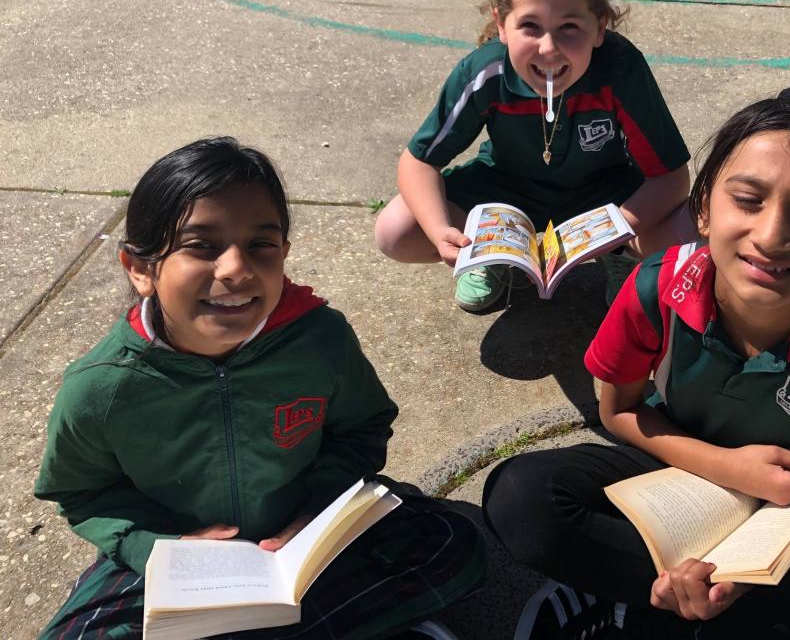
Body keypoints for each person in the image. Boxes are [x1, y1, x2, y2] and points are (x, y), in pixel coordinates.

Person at [482, 83, 790, 639]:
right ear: (702, 210)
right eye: (748, 200)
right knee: (523, 499)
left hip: (785, 510)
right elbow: (619, 412)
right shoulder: (657, 287)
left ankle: (686, 602)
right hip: (672, 470)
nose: (772, 235)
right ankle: (652, 595)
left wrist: (743, 574)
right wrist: (731, 469)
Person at [35, 137, 485, 640]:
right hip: (178, 561)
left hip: (306, 540)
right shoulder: (101, 387)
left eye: (261, 245)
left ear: (284, 254)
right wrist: (155, 545)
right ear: (140, 269)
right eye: (201, 246)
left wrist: (314, 510)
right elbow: (82, 491)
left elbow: (361, 429)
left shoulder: (320, 339)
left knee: (452, 543)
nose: (236, 268)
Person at [374, 0, 692, 311]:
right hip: (507, 198)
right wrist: (441, 230)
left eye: (569, 27)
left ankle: (619, 255)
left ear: (599, 27)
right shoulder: (486, 74)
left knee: (697, 230)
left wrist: (615, 229)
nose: (548, 48)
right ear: (501, 24)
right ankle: (492, 254)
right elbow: (419, 162)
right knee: (396, 230)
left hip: (602, 197)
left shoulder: (619, 69)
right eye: (530, 25)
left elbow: (671, 177)